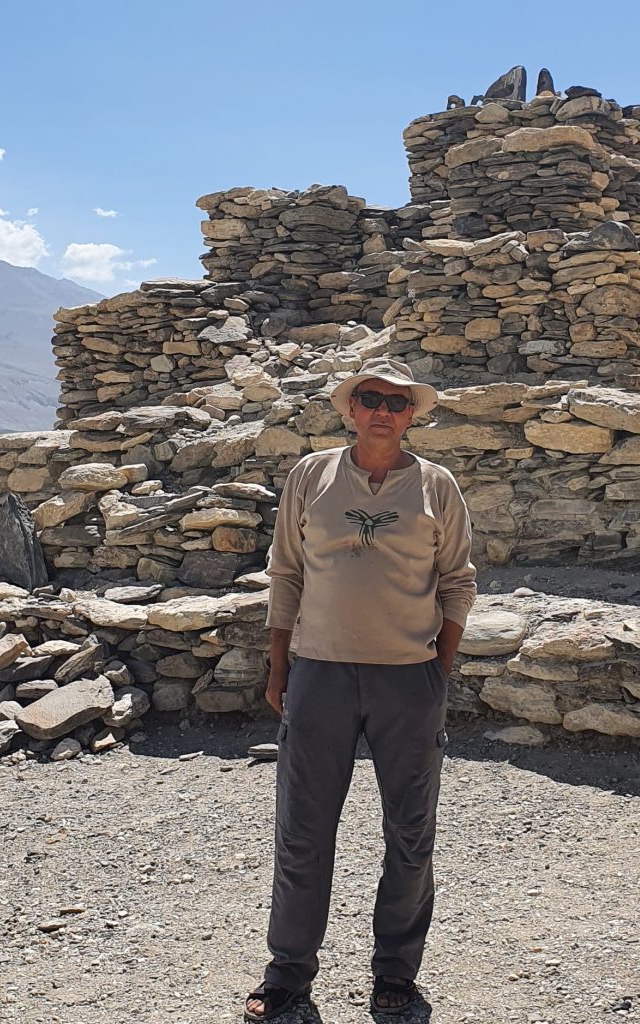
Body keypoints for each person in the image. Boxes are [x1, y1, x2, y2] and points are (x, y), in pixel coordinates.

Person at [244, 358, 477, 1021]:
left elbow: (458, 579)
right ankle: (288, 974)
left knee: (410, 834)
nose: (382, 410)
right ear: (350, 408)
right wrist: (280, 663)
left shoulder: (437, 487)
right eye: (369, 398)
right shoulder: (311, 476)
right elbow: (286, 571)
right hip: (320, 672)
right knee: (303, 832)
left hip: (409, 679)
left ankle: (396, 976)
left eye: (396, 403)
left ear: (412, 415)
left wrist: (440, 668)